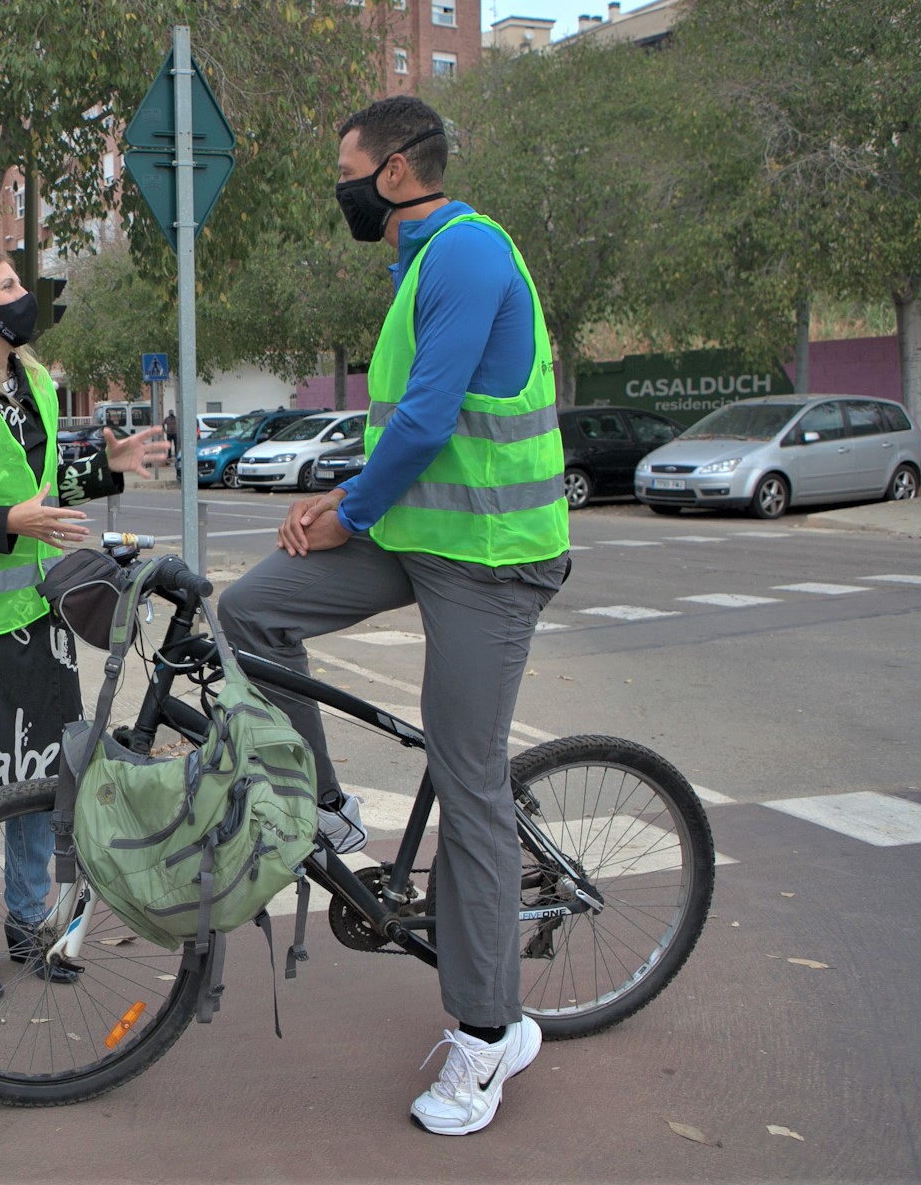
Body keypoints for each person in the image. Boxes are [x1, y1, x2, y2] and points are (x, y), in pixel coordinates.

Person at [216, 96, 569, 1135]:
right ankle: (326, 806)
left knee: (468, 786)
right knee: (249, 613)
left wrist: (345, 515)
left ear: (401, 168)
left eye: (349, 171)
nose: (344, 190)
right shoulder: (417, 262)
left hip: (494, 559)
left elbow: (425, 419)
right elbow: (404, 430)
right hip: (421, 537)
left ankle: (489, 1035)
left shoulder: (464, 255)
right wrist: (338, 506)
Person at [0, 247, 167, 999]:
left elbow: (40, 492)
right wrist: (6, 521)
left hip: (38, 620)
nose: (24, 296)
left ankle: (26, 925)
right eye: (7, 286)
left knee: (45, 788)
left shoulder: (36, 382)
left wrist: (107, 467)